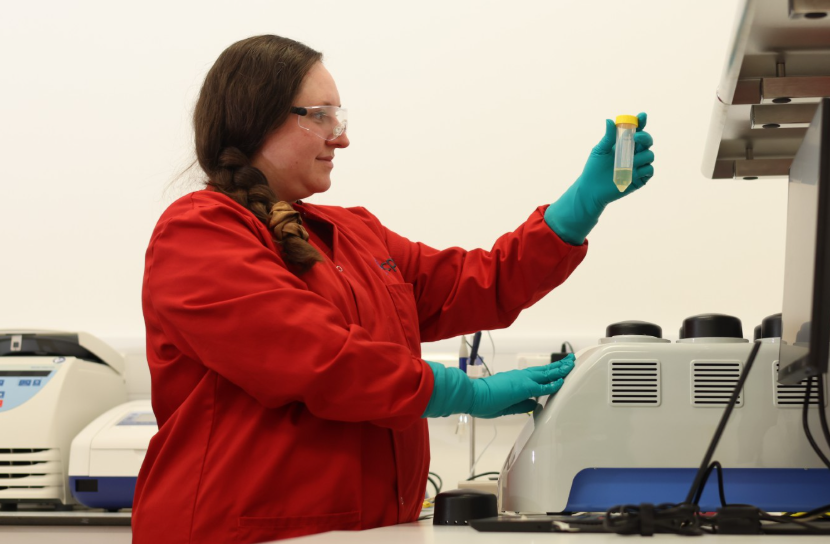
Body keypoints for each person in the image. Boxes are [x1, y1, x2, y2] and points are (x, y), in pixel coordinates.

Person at [132, 34, 654, 544]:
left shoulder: (355, 234)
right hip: (241, 532)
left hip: (363, 529)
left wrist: (578, 208)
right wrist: (465, 393)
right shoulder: (199, 232)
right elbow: (319, 357)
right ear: (256, 117)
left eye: (339, 118)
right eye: (321, 117)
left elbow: (479, 284)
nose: (340, 137)